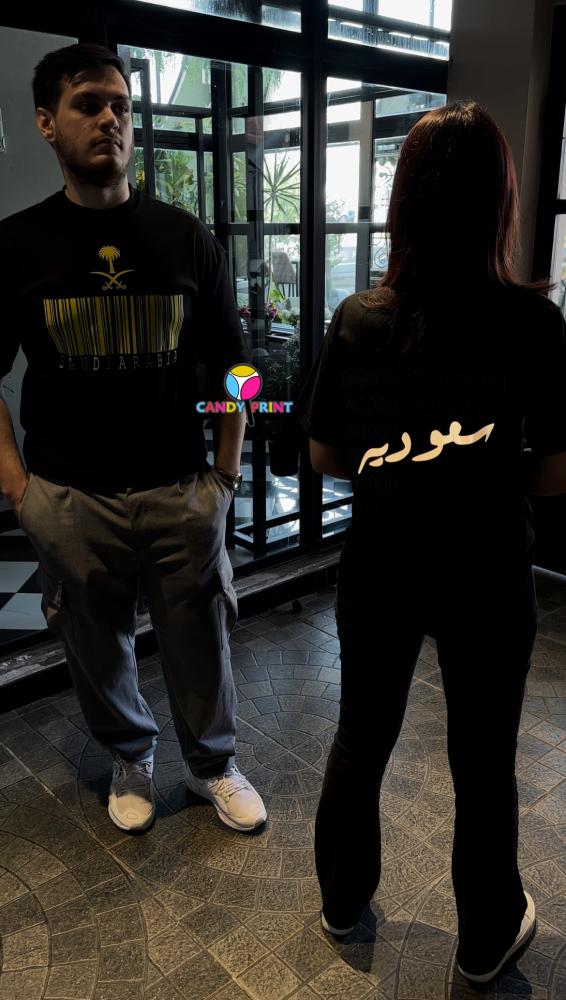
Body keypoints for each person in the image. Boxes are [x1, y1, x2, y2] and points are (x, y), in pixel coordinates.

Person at [294, 100, 566, 983]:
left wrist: (398, 462)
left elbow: (325, 455)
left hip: (381, 561)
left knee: (360, 735)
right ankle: (485, 941)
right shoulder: (533, 325)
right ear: (500, 201)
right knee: (483, 761)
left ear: (403, 202)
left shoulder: (358, 318)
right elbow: (554, 474)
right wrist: (480, 470)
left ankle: (342, 902)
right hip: (487, 569)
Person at [0, 43, 267, 835]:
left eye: (120, 104)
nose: (110, 118)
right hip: (68, 494)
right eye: (88, 104)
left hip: (179, 488)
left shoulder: (184, 238)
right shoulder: (16, 246)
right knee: (95, 643)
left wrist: (227, 475)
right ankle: (129, 754)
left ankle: (213, 763)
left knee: (201, 639)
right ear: (47, 123)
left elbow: (236, 368)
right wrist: (17, 488)